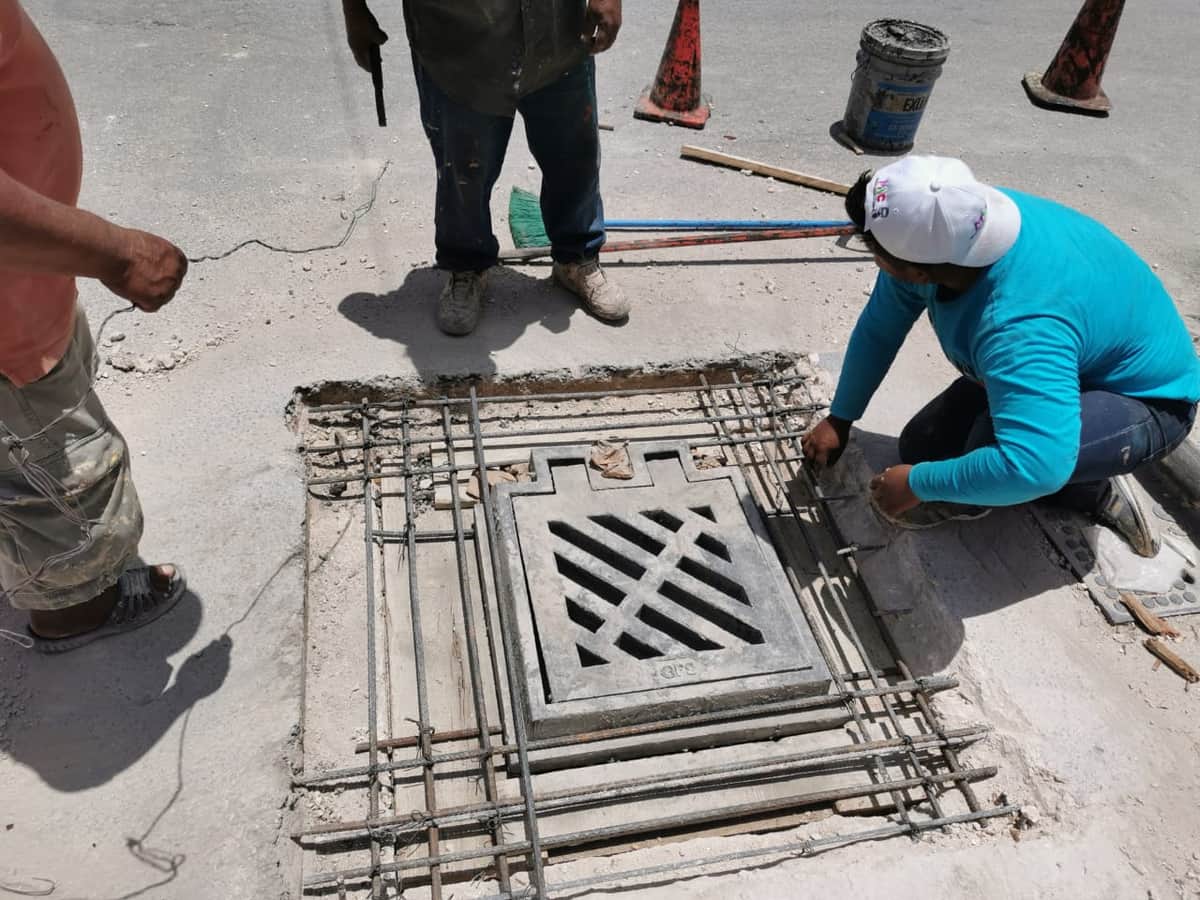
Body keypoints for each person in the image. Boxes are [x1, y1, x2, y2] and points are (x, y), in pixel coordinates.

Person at [802, 155, 1200, 557]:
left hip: (1150, 400)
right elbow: (879, 329)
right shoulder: (957, 227)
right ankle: (1059, 433)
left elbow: (1035, 465)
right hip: (1073, 357)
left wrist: (920, 485)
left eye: (875, 250)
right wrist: (841, 416)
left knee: (999, 464)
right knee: (923, 448)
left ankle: (1093, 488)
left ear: (916, 270)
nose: (875, 258)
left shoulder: (1016, 324)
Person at [0, 0, 189, 652]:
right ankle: (73, 611)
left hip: (24, 287)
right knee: (61, 483)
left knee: (28, 469)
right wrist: (115, 251)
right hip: (7, 334)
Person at [341, 0, 629, 336]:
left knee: (574, 156)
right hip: (459, 43)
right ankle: (466, 266)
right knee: (463, 168)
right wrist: (354, 12)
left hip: (557, 32)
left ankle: (577, 257)